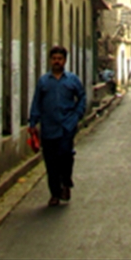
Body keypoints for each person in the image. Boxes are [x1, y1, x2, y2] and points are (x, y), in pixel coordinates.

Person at [29, 46, 86, 207]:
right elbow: (37, 103)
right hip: (48, 128)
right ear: (50, 60)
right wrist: (33, 122)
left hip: (66, 127)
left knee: (65, 156)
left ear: (64, 61)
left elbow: (81, 98)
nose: (56, 62)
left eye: (59, 59)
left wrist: (76, 116)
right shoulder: (44, 82)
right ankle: (54, 193)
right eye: (54, 59)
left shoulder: (72, 80)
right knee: (51, 162)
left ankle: (66, 183)